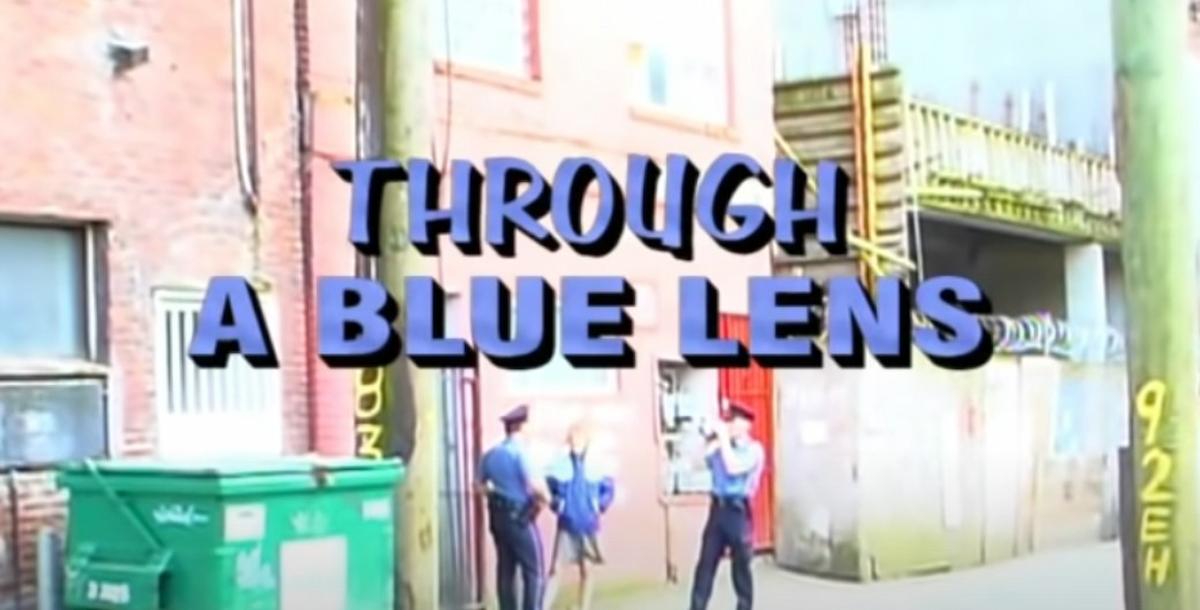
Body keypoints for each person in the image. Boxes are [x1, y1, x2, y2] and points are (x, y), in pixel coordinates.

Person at [688, 403, 765, 610]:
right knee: (706, 564)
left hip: (738, 511)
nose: (730, 425)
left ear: (746, 425)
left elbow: (733, 468)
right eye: (728, 421)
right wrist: (708, 439)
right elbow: (695, 463)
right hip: (718, 510)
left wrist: (723, 439)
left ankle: (744, 606)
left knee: (741, 566)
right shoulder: (720, 447)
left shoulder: (754, 450)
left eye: (734, 421)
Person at [478, 404, 550, 610]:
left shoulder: (491, 454)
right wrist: (546, 497)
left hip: (497, 516)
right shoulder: (521, 453)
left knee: (505, 570)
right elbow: (534, 484)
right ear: (522, 427)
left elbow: (479, 486)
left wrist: (495, 492)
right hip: (519, 516)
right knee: (533, 570)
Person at [542, 418, 615, 610]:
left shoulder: (596, 463)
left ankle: (583, 606)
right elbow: (549, 488)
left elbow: (608, 488)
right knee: (556, 570)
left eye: (579, 440)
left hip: (589, 523)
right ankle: (542, 606)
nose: (576, 444)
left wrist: (600, 505)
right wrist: (558, 505)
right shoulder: (560, 462)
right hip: (567, 523)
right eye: (573, 439)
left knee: (587, 569)